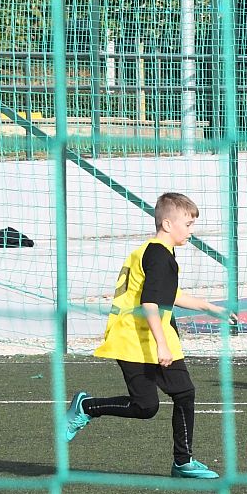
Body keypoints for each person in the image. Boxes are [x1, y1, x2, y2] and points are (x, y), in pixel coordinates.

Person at [64, 192, 232, 478]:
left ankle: (183, 462)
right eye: (188, 225)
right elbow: (149, 303)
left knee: (184, 392)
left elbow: (168, 294)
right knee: (145, 406)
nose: (191, 231)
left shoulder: (159, 252)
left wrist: (209, 307)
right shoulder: (157, 255)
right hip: (134, 339)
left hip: (152, 335)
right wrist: (162, 345)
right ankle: (87, 406)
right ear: (167, 224)